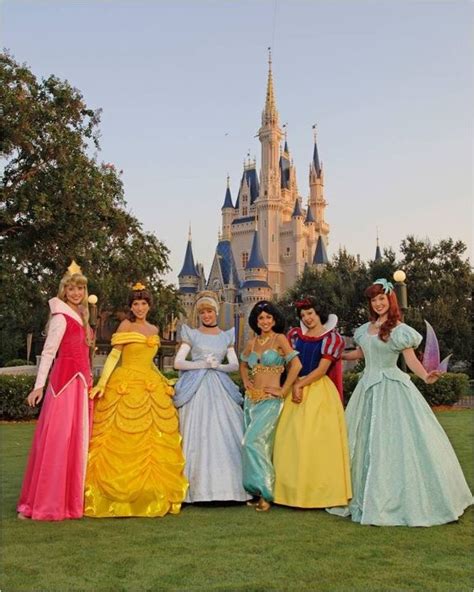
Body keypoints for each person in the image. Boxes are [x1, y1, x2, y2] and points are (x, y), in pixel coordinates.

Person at [327, 279, 473, 526]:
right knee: (362, 440)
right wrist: (335, 353)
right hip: (367, 388)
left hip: (391, 387)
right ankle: (362, 494)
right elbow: (361, 353)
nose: (378, 303)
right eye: (374, 300)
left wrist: (426, 376)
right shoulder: (365, 329)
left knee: (395, 441)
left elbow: (410, 359)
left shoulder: (399, 329)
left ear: (390, 300)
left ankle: (401, 499)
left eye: (382, 298)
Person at [84, 283, 188, 517]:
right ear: (131, 306)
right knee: (120, 436)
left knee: (153, 439)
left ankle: (150, 493)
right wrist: (102, 383)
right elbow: (114, 355)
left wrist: (163, 380)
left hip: (149, 384)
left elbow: (149, 362)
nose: (139, 308)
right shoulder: (125, 325)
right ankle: (114, 492)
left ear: (149, 306)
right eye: (135, 304)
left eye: (143, 303)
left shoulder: (153, 328)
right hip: (126, 383)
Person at [17, 261, 94, 520]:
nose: (76, 293)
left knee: (76, 441)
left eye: (80, 289)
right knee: (59, 441)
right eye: (71, 289)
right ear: (64, 291)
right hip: (64, 386)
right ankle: (46, 503)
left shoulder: (83, 316)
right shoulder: (61, 318)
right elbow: (49, 353)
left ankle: (70, 502)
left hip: (81, 385)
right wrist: (39, 386)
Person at [273, 297, 352, 508]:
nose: (307, 318)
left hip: (318, 390)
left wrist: (300, 385)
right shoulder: (295, 336)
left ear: (319, 314)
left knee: (316, 441)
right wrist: (292, 384)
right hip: (296, 386)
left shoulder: (331, 339)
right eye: (303, 315)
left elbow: (321, 370)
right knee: (290, 439)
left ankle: (320, 493)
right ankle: (288, 492)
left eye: (310, 313)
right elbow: (290, 364)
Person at [173, 291, 249, 502]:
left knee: (225, 431)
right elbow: (178, 363)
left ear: (216, 312)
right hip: (196, 387)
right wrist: (202, 364)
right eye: (203, 312)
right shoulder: (191, 334)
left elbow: (234, 364)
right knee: (196, 432)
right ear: (199, 315)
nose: (207, 315)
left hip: (219, 385)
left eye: (210, 311)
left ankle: (228, 490)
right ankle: (195, 490)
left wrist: (219, 366)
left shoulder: (226, 336)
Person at [240, 300, 301, 511]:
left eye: (268, 317)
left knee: (253, 442)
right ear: (255, 321)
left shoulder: (280, 339)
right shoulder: (252, 342)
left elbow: (296, 365)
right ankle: (257, 492)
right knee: (255, 445)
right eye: (260, 318)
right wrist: (245, 381)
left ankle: (266, 492)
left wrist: (283, 390)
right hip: (251, 401)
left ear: (274, 320)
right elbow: (242, 362)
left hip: (270, 401)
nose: (265, 321)